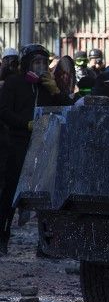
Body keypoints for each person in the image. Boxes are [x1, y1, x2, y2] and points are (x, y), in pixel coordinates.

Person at [0, 44, 72, 255]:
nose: (40, 67)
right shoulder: (15, 84)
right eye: (36, 62)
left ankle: (46, 244)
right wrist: (25, 124)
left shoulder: (48, 87)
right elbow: (3, 110)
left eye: (43, 62)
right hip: (18, 143)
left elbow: (67, 110)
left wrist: (56, 91)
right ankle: (3, 236)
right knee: (10, 193)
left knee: (46, 195)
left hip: (44, 145)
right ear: (26, 64)